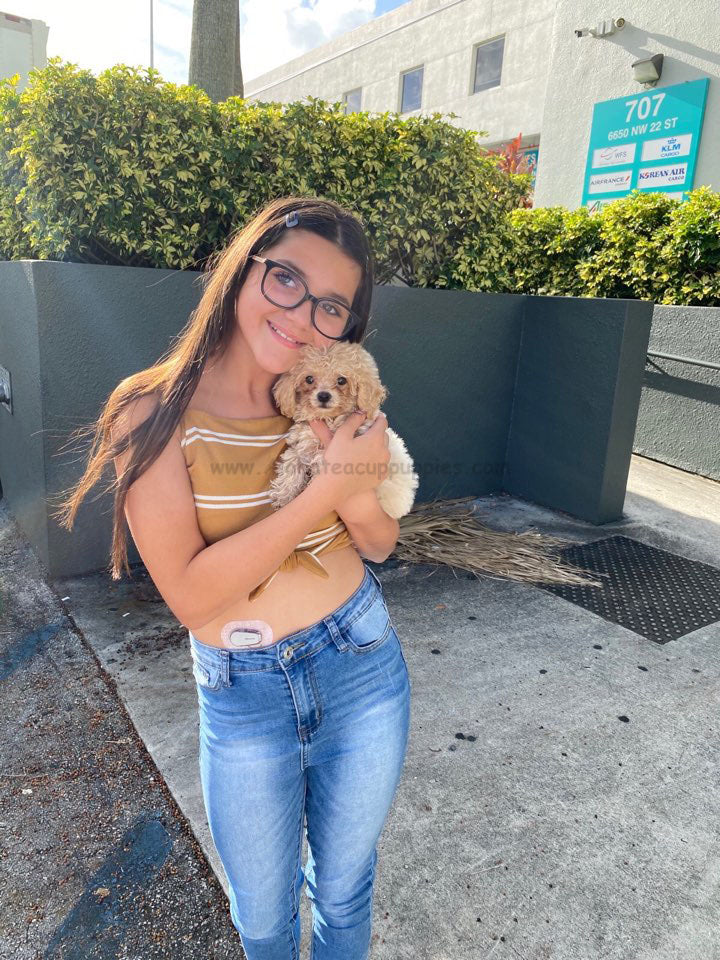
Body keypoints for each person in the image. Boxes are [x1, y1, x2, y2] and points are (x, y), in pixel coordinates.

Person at [54, 195, 411, 960]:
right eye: (285, 279)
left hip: (360, 663)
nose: (302, 316)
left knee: (345, 890)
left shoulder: (327, 394)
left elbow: (380, 543)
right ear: (242, 269)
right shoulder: (151, 409)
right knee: (262, 919)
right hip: (242, 692)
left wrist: (356, 482)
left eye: (332, 307)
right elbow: (191, 595)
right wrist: (326, 489)